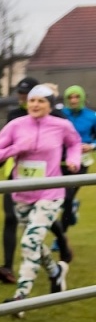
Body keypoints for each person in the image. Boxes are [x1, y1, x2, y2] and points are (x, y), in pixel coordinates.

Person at [0, 83, 82, 313]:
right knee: (34, 242)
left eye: (41, 101)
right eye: (32, 101)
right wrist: (16, 148)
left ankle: (21, 297)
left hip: (50, 193)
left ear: (50, 105)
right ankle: (56, 273)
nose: (35, 105)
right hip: (22, 193)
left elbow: (75, 143)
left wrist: (74, 160)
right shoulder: (16, 125)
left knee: (29, 242)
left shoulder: (61, 125)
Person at [0, 78, 38, 284]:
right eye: (20, 93)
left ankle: (63, 248)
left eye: (27, 94)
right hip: (15, 176)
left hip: (43, 178)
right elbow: (6, 140)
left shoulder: (52, 115)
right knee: (10, 218)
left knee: (46, 222)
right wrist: (3, 157)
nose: (23, 97)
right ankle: (7, 266)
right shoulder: (14, 115)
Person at [59, 84, 95, 233]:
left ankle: (61, 236)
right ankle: (72, 207)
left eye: (77, 97)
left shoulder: (92, 116)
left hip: (81, 161)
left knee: (66, 198)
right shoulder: (60, 114)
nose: (73, 100)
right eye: (70, 97)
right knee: (59, 199)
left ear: (83, 98)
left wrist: (92, 146)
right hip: (60, 161)